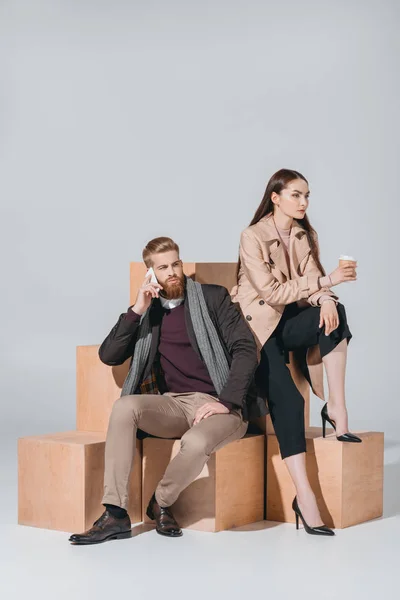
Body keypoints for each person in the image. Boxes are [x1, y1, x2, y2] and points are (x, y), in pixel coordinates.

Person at [69, 236, 267, 545]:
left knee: (197, 439)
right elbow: (109, 355)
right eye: (163, 267)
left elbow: (245, 349)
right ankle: (116, 514)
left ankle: (160, 501)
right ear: (151, 274)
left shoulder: (213, 298)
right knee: (124, 408)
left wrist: (226, 401)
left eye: (176, 264)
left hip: (223, 405)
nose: (172, 272)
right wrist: (137, 309)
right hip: (174, 404)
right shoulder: (150, 312)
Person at [231, 168, 361, 537]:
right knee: (287, 401)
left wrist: (326, 298)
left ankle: (336, 407)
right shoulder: (252, 236)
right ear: (275, 197)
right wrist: (326, 282)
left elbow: (312, 277)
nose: (303, 202)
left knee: (335, 314)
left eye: (307, 195)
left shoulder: (304, 235)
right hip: (257, 330)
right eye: (295, 195)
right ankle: (304, 497)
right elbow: (270, 293)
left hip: (287, 321)